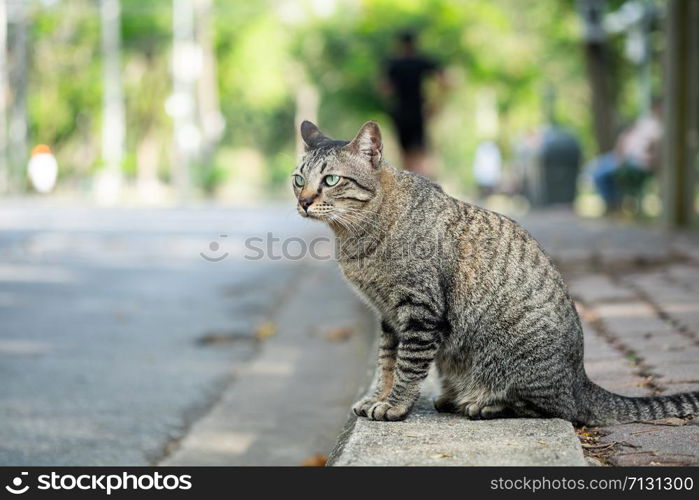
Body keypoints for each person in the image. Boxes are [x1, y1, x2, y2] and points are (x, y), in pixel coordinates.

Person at [382, 30, 447, 177]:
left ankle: (410, 185)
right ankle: (424, 185)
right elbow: (445, 80)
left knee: (405, 155)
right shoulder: (422, 62)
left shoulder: (393, 64)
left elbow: (385, 89)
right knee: (421, 152)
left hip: (401, 113)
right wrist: (436, 102)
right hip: (418, 111)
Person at [591, 99, 663, 213]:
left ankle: (613, 205)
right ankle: (613, 204)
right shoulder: (646, 121)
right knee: (594, 168)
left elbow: (651, 149)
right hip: (624, 155)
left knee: (600, 174)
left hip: (635, 160)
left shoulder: (661, 127)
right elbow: (629, 134)